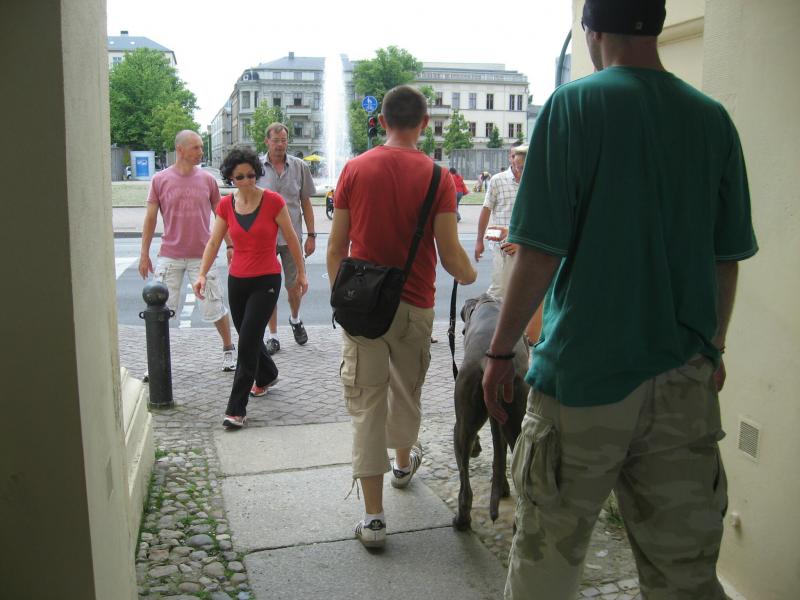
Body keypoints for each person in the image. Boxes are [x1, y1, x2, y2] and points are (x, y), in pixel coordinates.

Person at [482, 1, 758, 598]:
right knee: (685, 576)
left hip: (582, 380)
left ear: (593, 30)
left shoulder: (573, 105)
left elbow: (538, 251)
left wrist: (500, 353)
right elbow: (726, 257)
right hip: (683, 381)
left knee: (545, 566)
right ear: (656, 24)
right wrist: (713, 347)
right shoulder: (712, 119)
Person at [327, 85, 477, 549]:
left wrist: (343, 301)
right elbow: (450, 255)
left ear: (382, 121)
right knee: (406, 393)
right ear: (425, 123)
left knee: (366, 403)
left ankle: (374, 519)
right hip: (414, 306)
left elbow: (336, 248)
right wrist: (472, 273)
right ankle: (403, 465)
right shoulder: (439, 177)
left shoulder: (354, 168)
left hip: (362, 308)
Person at [193, 147, 308, 429]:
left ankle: (236, 409)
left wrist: (301, 273)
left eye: (251, 175)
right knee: (249, 335)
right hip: (238, 280)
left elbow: (292, 238)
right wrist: (202, 274)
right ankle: (267, 374)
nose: (247, 181)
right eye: (240, 177)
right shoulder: (225, 205)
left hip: (266, 279)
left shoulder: (273, 201)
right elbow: (214, 242)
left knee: (246, 343)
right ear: (230, 178)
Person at [139, 130, 236, 372]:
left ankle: (228, 349)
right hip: (169, 255)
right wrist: (144, 254)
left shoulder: (207, 180)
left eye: (201, 147)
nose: (201, 152)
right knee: (160, 310)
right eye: (196, 147)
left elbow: (221, 215)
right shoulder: (160, 180)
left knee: (214, 305)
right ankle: (155, 361)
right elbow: (150, 218)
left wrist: (230, 244)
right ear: (180, 150)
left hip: (202, 256)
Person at [257, 123, 317, 355]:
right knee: (268, 290)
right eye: (276, 140)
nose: (280, 145)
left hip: (292, 238)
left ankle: (295, 319)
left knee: (295, 287)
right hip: (265, 240)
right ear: (267, 141)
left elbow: (306, 203)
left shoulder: (300, 167)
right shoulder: (257, 168)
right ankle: (272, 336)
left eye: (284, 140)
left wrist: (311, 235)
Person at [475, 145, 528, 300]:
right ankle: (484, 311)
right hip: (503, 247)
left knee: (523, 292)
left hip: (527, 246)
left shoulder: (536, 181)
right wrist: (479, 240)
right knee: (499, 290)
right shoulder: (497, 180)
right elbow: (486, 210)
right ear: (511, 160)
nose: (519, 171)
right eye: (516, 166)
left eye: (523, 168)